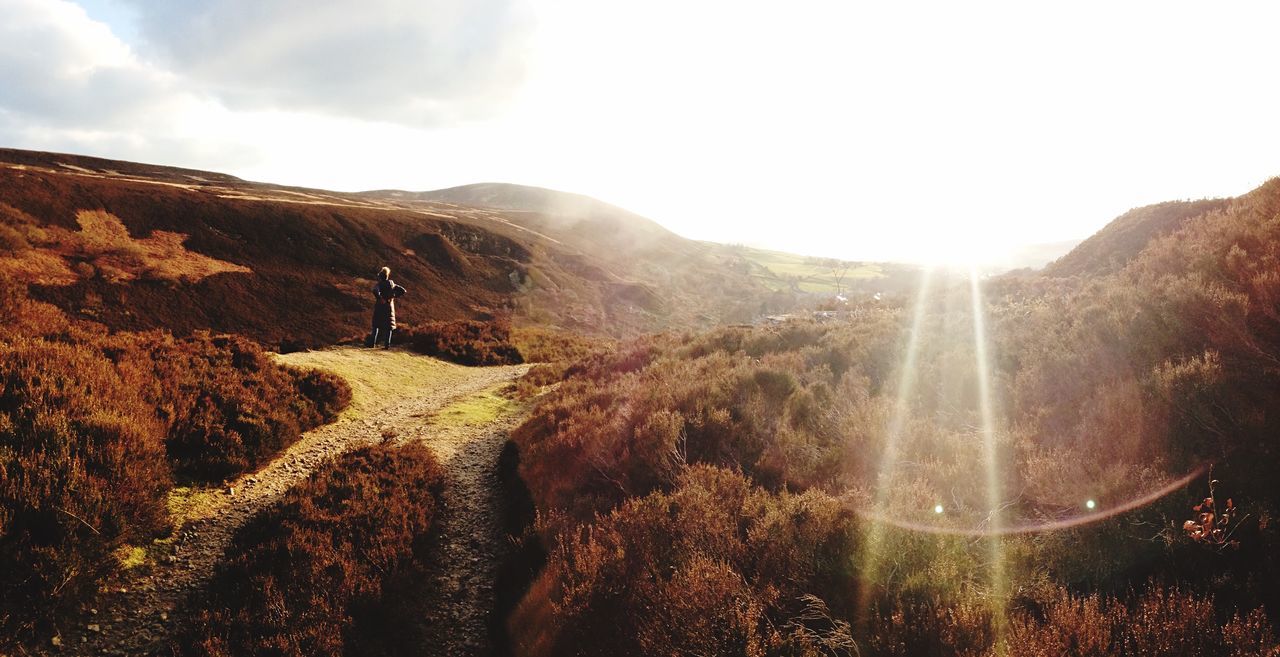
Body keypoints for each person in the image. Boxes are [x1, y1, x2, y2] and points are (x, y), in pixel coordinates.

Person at [368, 266, 406, 348]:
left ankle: (372, 344)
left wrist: (380, 298)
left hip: (380, 307)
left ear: (381, 277)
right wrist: (393, 296)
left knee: (376, 325)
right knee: (388, 327)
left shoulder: (379, 284)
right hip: (389, 307)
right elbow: (403, 290)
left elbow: (375, 291)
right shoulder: (392, 284)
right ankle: (387, 346)